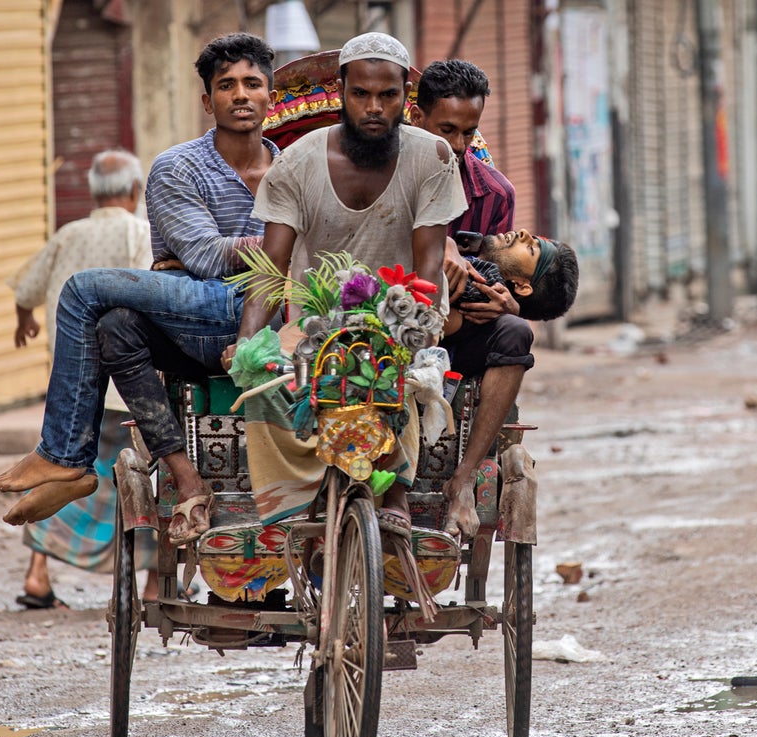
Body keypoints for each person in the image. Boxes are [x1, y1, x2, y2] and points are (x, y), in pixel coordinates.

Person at [0, 33, 278, 549]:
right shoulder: (178, 167)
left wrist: (277, 250)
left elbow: (214, 254)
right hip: (199, 318)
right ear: (208, 102)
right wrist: (284, 246)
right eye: (226, 85)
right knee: (109, 321)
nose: (240, 94)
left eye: (252, 84)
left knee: (85, 293)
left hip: (272, 319)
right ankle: (170, 476)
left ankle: (64, 456)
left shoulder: (294, 169)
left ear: (269, 96)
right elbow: (207, 258)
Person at [226, 32, 466, 533]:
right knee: (267, 388)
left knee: (398, 375)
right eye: (361, 94)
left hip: (404, 313)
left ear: (406, 97)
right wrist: (248, 342)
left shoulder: (434, 158)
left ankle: (397, 493)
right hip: (317, 323)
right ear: (342, 91)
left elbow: (427, 264)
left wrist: (413, 330)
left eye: (388, 95)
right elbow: (270, 271)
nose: (374, 107)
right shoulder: (296, 164)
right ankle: (297, 504)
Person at [409, 58, 577, 537]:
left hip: (453, 328)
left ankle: (462, 480)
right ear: (417, 120)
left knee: (515, 331)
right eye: (447, 131)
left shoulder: (493, 193)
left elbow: (495, 270)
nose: (460, 147)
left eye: (469, 132)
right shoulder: (387, 170)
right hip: (387, 311)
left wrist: (507, 304)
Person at [4, 149, 160, 608]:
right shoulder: (139, 233)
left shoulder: (68, 235)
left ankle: (37, 572)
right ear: (135, 192)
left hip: (75, 389)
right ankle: (151, 583)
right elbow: (153, 290)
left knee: (66, 474)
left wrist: (23, 321)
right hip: (127, 386)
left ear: (94, 193)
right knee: (145, 480)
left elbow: (26, 287)